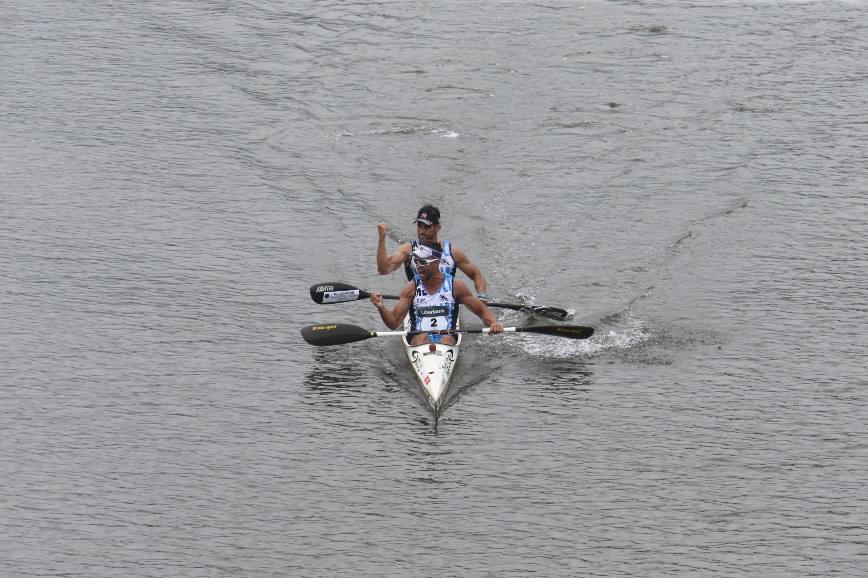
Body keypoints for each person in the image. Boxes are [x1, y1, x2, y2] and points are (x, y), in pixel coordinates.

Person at [371, 242, 503, 346]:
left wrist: (493, 323)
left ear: (437, 261)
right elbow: (393, 323)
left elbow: (482, 311)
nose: (419, 266)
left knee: (446, 339)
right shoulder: (411, 288)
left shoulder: (456, 287)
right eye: (416, 261)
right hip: (419, 339)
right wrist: (381, 308)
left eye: (424, 262)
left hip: (447, 338)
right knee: (422, 337)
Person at [376, 205, 490, 301]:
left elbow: (477, 275)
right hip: (418, 304)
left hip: (445, 303)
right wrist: (381, 239)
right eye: (419, 226)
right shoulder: (408, 250)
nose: (421, 231)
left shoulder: (452, 252)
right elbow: (383, 269)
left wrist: (481, 297)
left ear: (437, 228)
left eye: (426, 227)